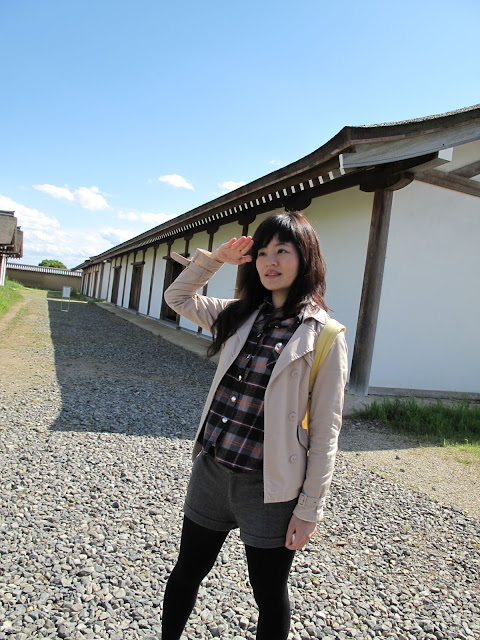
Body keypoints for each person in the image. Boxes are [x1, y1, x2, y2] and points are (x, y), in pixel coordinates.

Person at [162, 211, 348, 640]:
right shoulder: (239, 314)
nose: (270, 261)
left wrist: (309, 509)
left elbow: (326, 432)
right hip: (211, 471)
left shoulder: (324, 336)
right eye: (262, 253)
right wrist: (217, 260)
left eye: (282, 250)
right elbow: (178, 297)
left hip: (269, 489)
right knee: (187, 571)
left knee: (268, 593)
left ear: (306, 259)